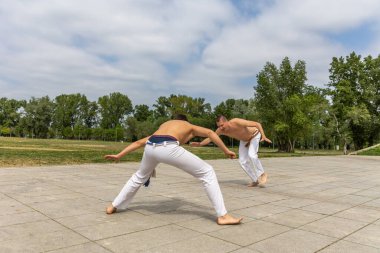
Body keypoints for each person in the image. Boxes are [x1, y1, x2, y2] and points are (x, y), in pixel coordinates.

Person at [104, 114, 242, 225]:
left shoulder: (164, 125)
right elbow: (210, 133)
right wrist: (226, 150)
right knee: (207, 172)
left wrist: (119, 155)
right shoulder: (187, 125)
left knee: (139, 176)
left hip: (151, 146)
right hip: (168, 146)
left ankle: (113, 205)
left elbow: (139, 142)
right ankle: (223, 216)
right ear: (184, 121)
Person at [191, 115, 272, 187]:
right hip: (244, 141)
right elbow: (210, 138)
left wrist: (263, 136)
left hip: (254, 135)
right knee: (242, 161)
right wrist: (200, 144)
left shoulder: (236, 121)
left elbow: (257, 124)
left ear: (226, 121)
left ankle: (262, 174)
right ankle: (255, 180)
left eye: (222, 125)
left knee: (252, 154)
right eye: (219, 126)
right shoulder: (220, 130)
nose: (221, 128)